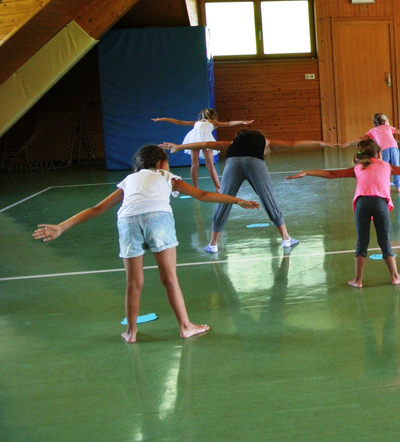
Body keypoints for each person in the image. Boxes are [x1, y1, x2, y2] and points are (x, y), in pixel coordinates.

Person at [32, 144, 259, 343]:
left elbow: (97, 209)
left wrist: (61, 227)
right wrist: (237, 200)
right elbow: (203, 195)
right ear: (161, 163)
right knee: (169, 279)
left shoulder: (129, 180)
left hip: (127, 221)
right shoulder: (166, 176)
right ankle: (185, 327)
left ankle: (131, 332)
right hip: (158, 218)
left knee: (133, 283)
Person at [287, 139, 400, 287]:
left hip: (362, 203)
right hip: (379, 203)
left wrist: (307, 172)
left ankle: (358, 280)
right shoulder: (386, 166)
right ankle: (395, 277)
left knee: (362, 242)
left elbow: (332, 174)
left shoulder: (358, 167)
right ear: (379, 153)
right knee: (384, 240)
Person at [162, 129, 339, 252]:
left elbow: (206, 143)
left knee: (224, 199)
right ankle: (286, 239)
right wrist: (320, 142)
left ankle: (213, 244)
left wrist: (180, 146)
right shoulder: (265, 141)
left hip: (232, 164)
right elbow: (293, 144)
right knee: (268, 199)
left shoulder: (232, 143)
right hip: (255, 163)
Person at [151, 109, 253, 191]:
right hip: (205, 138)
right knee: (210, 164)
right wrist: (242, 122)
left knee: (194, 164)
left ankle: (195, 187)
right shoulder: (213, 122)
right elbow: (229, 124)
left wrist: (164, 118)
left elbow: (180, 122)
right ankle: (218, 187)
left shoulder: (197, 122)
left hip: (193, 138)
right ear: (213, 117)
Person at [342, 113, 400, 194]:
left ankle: (383, 185)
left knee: (383, 168)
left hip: (383, 150)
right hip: (393, 148)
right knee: (396, 167)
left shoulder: (373, 130)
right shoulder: (388, 127)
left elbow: (361, 137)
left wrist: (349, 142)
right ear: (385, 121)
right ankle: (398, 186)